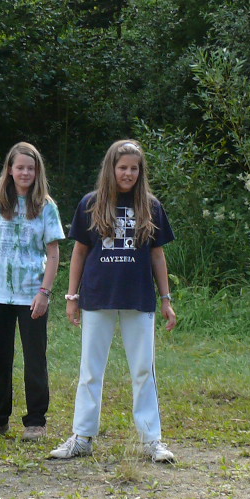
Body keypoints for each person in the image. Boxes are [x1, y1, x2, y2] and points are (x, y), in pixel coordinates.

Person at [50, 139, 178, 464]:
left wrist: (166, 299)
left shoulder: (151, 206)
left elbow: (158, 255)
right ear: (111, 168)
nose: (128, 173)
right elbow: (79, 252)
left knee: (143, 370)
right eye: (123, 167)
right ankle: (82, 437)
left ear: (140, 171)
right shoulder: (90, 204)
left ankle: (152, 441)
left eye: (134, 168)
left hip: (139, 297)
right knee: (91, 370)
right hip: (97, 296)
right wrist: (72, 296)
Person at [0, 142, 64, 440]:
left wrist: (45, 292)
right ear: (10, 169)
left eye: (30, 168)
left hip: (32, 294)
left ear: (37, 172)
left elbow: (54, 252)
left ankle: (36, 421)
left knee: (34, 358)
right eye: (20, 167)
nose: (25, 173)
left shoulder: (46, 206)